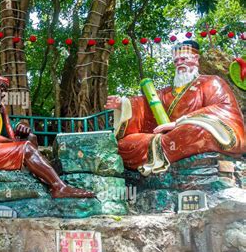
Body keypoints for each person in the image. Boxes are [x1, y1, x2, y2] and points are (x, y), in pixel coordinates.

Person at [0, 74, 95, 199]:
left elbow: (12, 132)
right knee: (26, 148)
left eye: (5, 90)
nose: (2, 92)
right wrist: (10, 142)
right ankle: (58, 187)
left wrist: (21, 126)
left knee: (31, 139)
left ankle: (44, 177)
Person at [105, 41, 245, 176]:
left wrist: (179, 123)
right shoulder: (166, 93)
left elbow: (223, 109)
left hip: (191, 130)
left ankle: (160, 152)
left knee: (198, 132)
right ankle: (162, 150)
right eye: (176, 61)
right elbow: (144, 105)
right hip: (169, 137)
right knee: (125, 144)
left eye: (184, 58)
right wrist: (123, 104)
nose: (179, 63)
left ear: (196, 59)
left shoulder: (211, 82)